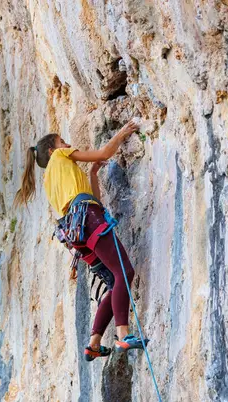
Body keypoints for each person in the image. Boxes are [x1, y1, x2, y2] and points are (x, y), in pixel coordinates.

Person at [15, 120, 149, 361]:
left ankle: (94, 343)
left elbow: (94, 200)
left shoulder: (49, 181)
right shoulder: (61, 156)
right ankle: (123, 336)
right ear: (52, 150)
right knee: (124, 272)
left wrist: (93, 174)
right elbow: (105, 152)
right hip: (88, 218)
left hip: (76, 232)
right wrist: (123, 132)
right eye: (63, 142)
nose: (68, 144)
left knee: (113, 284)